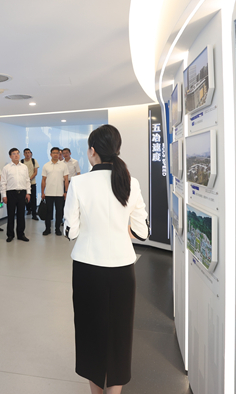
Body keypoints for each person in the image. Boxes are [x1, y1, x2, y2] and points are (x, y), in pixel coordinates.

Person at [63, 124, 149, 394]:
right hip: (123, 268)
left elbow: (70, 231)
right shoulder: (131, 182)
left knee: (90, 332)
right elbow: (143, 232)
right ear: (117, 149)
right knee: (120, 334)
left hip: (88, 267)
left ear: (92, 151)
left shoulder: (79, 183)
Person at [0, 148, 31, 242]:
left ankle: (21, 234)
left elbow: (27, 180)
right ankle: (10, 235)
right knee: (11, 215)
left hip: (22, 193)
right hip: (11, 193)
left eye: (17, 153)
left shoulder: (24, 167)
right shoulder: (6, 168)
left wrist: (28, 193)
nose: (16, 155)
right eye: (13, 154)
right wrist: (4, 195)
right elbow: (3, 182)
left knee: (21, 215)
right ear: (10, 156)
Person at [41, 147, 69, 236]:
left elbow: (66, 179)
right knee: (48, 212)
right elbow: (43, 180)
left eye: (57, 153)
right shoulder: (46, 165)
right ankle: (47, 229)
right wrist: (42, 192)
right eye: (54, 153)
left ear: (59, 154)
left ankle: (57, 229)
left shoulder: (63, 165)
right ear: (51, 154)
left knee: (59, 212)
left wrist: (66, 192)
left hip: (60, 193)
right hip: (48, 193)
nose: (55, 154)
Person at [22, 148, 40, 220]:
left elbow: (35, 172)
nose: (27, 154)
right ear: (24, 154)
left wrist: (29, 179)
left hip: (32, 183)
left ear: (31, 153)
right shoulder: (21, 162)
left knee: (33, 199)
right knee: (24, 199)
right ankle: (27, 210)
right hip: (23, 184)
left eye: (28, 152)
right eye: (26, 153)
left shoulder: (34, 161)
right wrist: (26, 181)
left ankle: (34, 214)